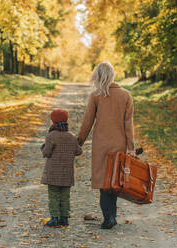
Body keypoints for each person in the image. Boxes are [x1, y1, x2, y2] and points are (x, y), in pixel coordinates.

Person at [77, 61, 135, 229]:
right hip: (119, 144)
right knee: (114, 181)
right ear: (113, 75)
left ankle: (108, 218)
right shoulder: (126, 95)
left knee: (104, 183)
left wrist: (78, 141)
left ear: (98, 76)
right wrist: (131, 147)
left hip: (101, 145)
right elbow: (128, 125)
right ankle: (112, 217)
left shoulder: (96, 95)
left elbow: (87, 122)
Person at [41, 109, 83, 227]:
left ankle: (54, 218)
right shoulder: (72, 136)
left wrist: (43, 148)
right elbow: (78, 151)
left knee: (53, 196)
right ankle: (64, 219)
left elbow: (47, 153)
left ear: (53, 121)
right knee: (65, 197)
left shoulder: (51, 136)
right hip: (67, 174)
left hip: (53, 174)